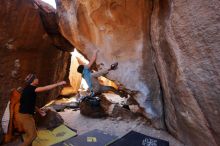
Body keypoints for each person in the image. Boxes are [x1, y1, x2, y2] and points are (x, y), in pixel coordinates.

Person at [18, 73, 66, 146]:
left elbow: (30, 103)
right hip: (25, 116)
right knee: (32, 136)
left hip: (26, 115)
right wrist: (58, 84)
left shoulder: (28, 89)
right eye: (36, 78)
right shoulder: (31, 89)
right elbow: (46, 88)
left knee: (31, 134)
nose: (37, 79)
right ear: (32, 81)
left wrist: (39, 110)